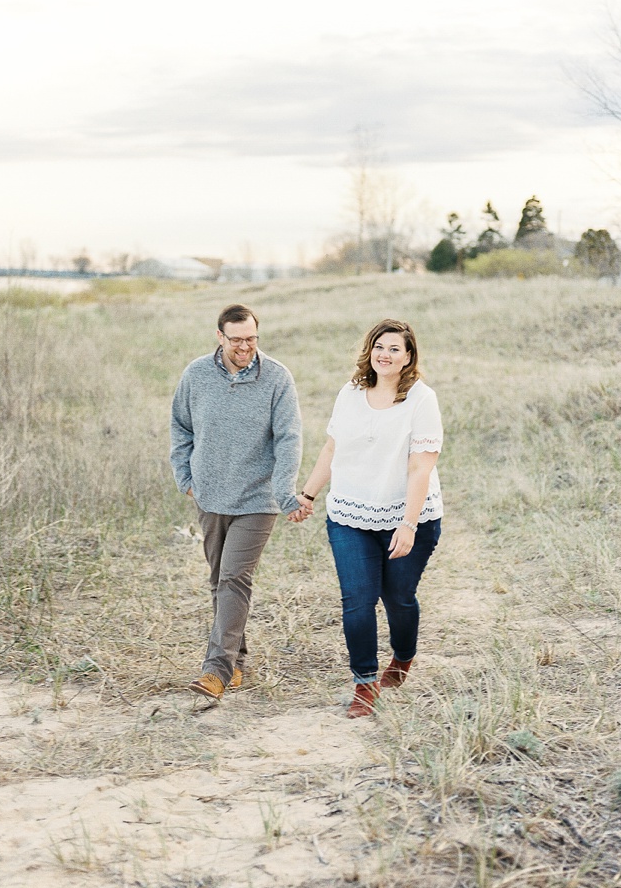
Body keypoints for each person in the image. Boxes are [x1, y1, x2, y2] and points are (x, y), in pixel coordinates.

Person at [290, 318, 443, 718]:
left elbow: (420, 469)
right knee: (358, 600)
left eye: (395, 348)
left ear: (409, 356)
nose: (386, 354)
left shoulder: (422, 399)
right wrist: (307, 494)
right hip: (350, 512)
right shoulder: (351, 393)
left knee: (397, 598)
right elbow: (331, 449)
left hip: (409, 516)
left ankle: (403, 657)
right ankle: (364, 683)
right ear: (369, 350)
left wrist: (408, 524)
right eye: (380, 346)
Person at [170, 303, 305, 700]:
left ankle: (216, 671)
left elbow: (289, 439)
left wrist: (284, 492)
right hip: (210, 496)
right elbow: (180, 426)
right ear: (220, 337)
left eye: (252, 339)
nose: (245, 347)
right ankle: (239, 663)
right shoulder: (196, 374)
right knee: (220, 582)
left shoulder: (277, 378)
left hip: (258, 499)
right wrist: (186, 479)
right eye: (237, 340)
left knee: (233, 578)